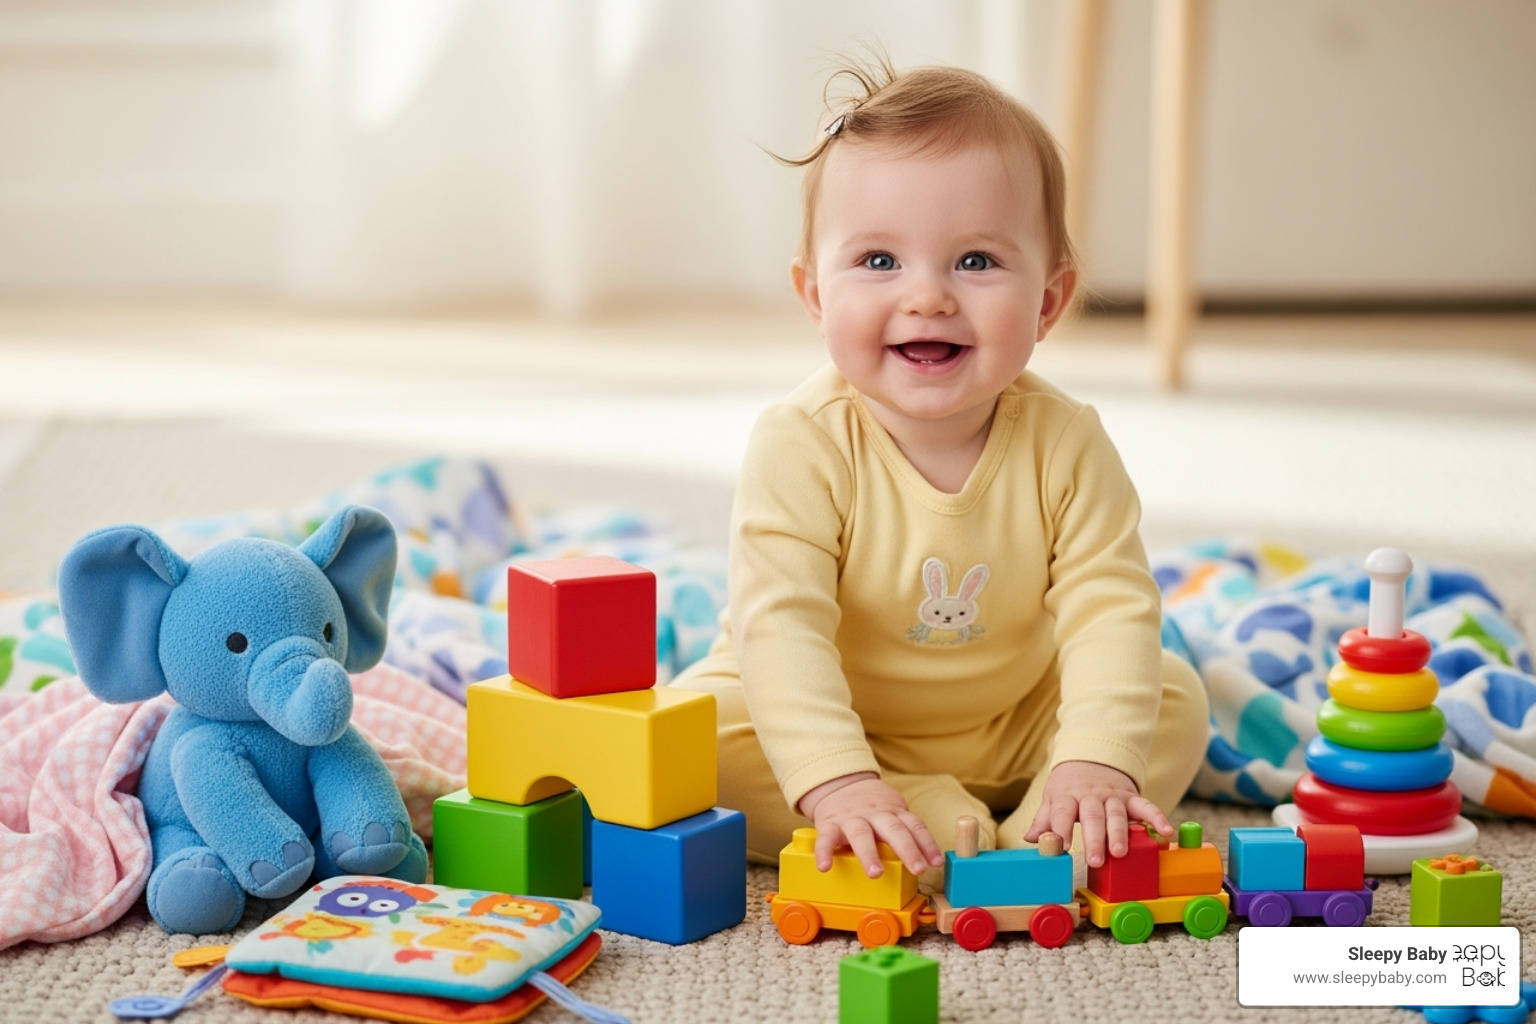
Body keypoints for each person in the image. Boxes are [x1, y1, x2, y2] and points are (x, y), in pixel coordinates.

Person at [672, 57, 1208, 883]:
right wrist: (838, 777)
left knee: (1171, 700)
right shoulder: (801, 442)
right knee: (689, 736)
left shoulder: (1067, 442)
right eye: (880, 262)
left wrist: (1094, 760)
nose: (927, 297)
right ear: (815, 297)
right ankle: (910, 812)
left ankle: (1047, 824)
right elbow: (781, 627)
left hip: (1017, 716)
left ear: (1049, 303)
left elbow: (1110, 607)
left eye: (976, 262)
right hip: (825, 711)